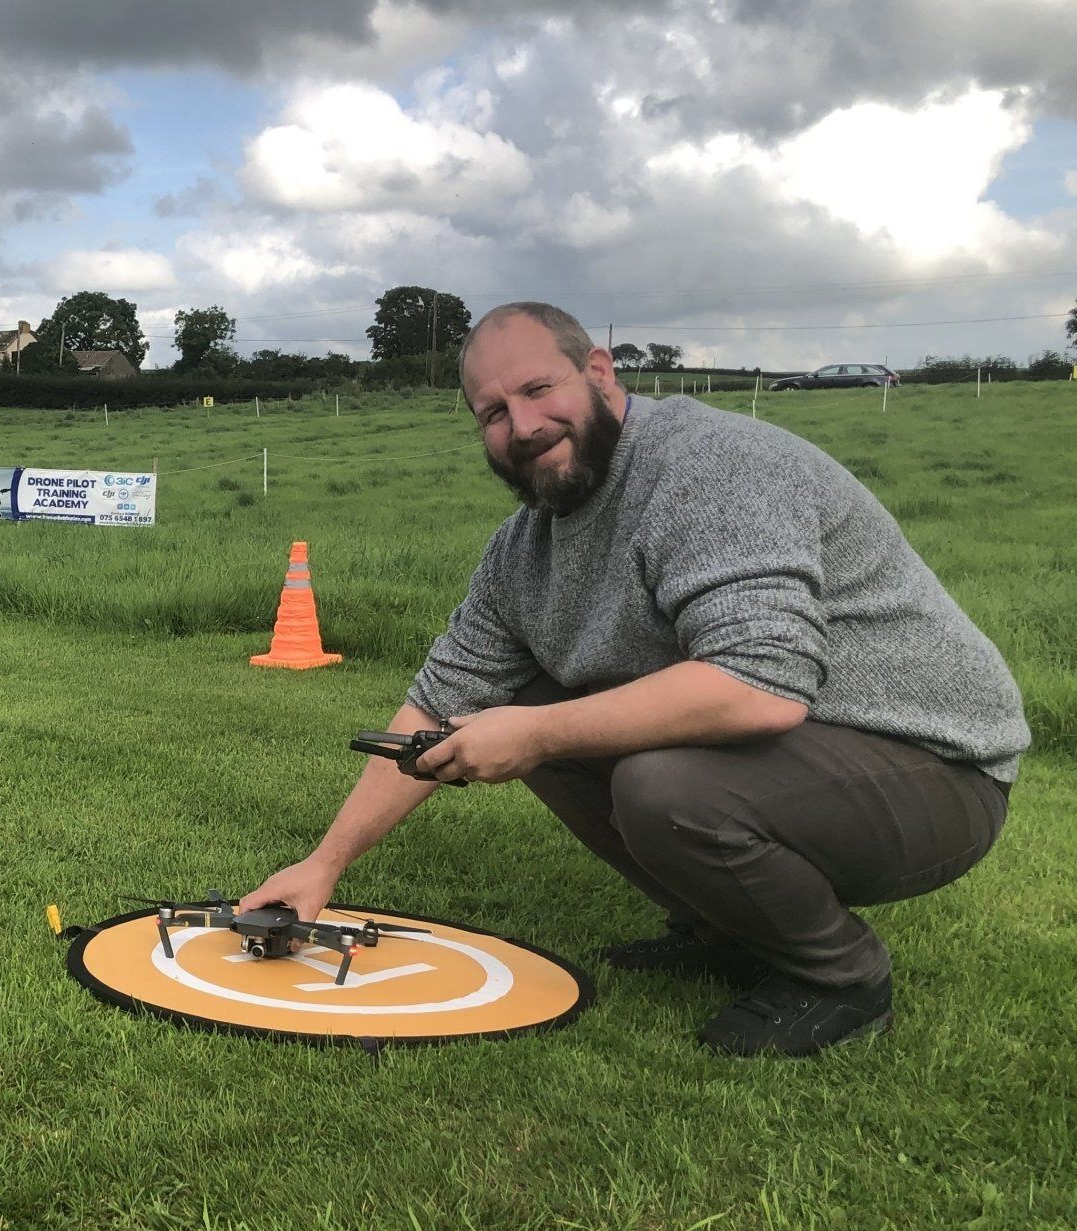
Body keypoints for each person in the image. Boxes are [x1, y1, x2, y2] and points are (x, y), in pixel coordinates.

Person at [242, 301, 1028, 1057]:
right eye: (493, 413)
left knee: (655, 782)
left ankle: (842, 977)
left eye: (538, 388)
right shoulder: (522, 550)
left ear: (598, 370)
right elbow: (440, 703)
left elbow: (761, 686)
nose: (523, 425)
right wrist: (324, 865)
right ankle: (726, 928)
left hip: (936, 768)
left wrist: (536, 735)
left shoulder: (710, 468)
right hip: (806, 761)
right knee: (525, 706)